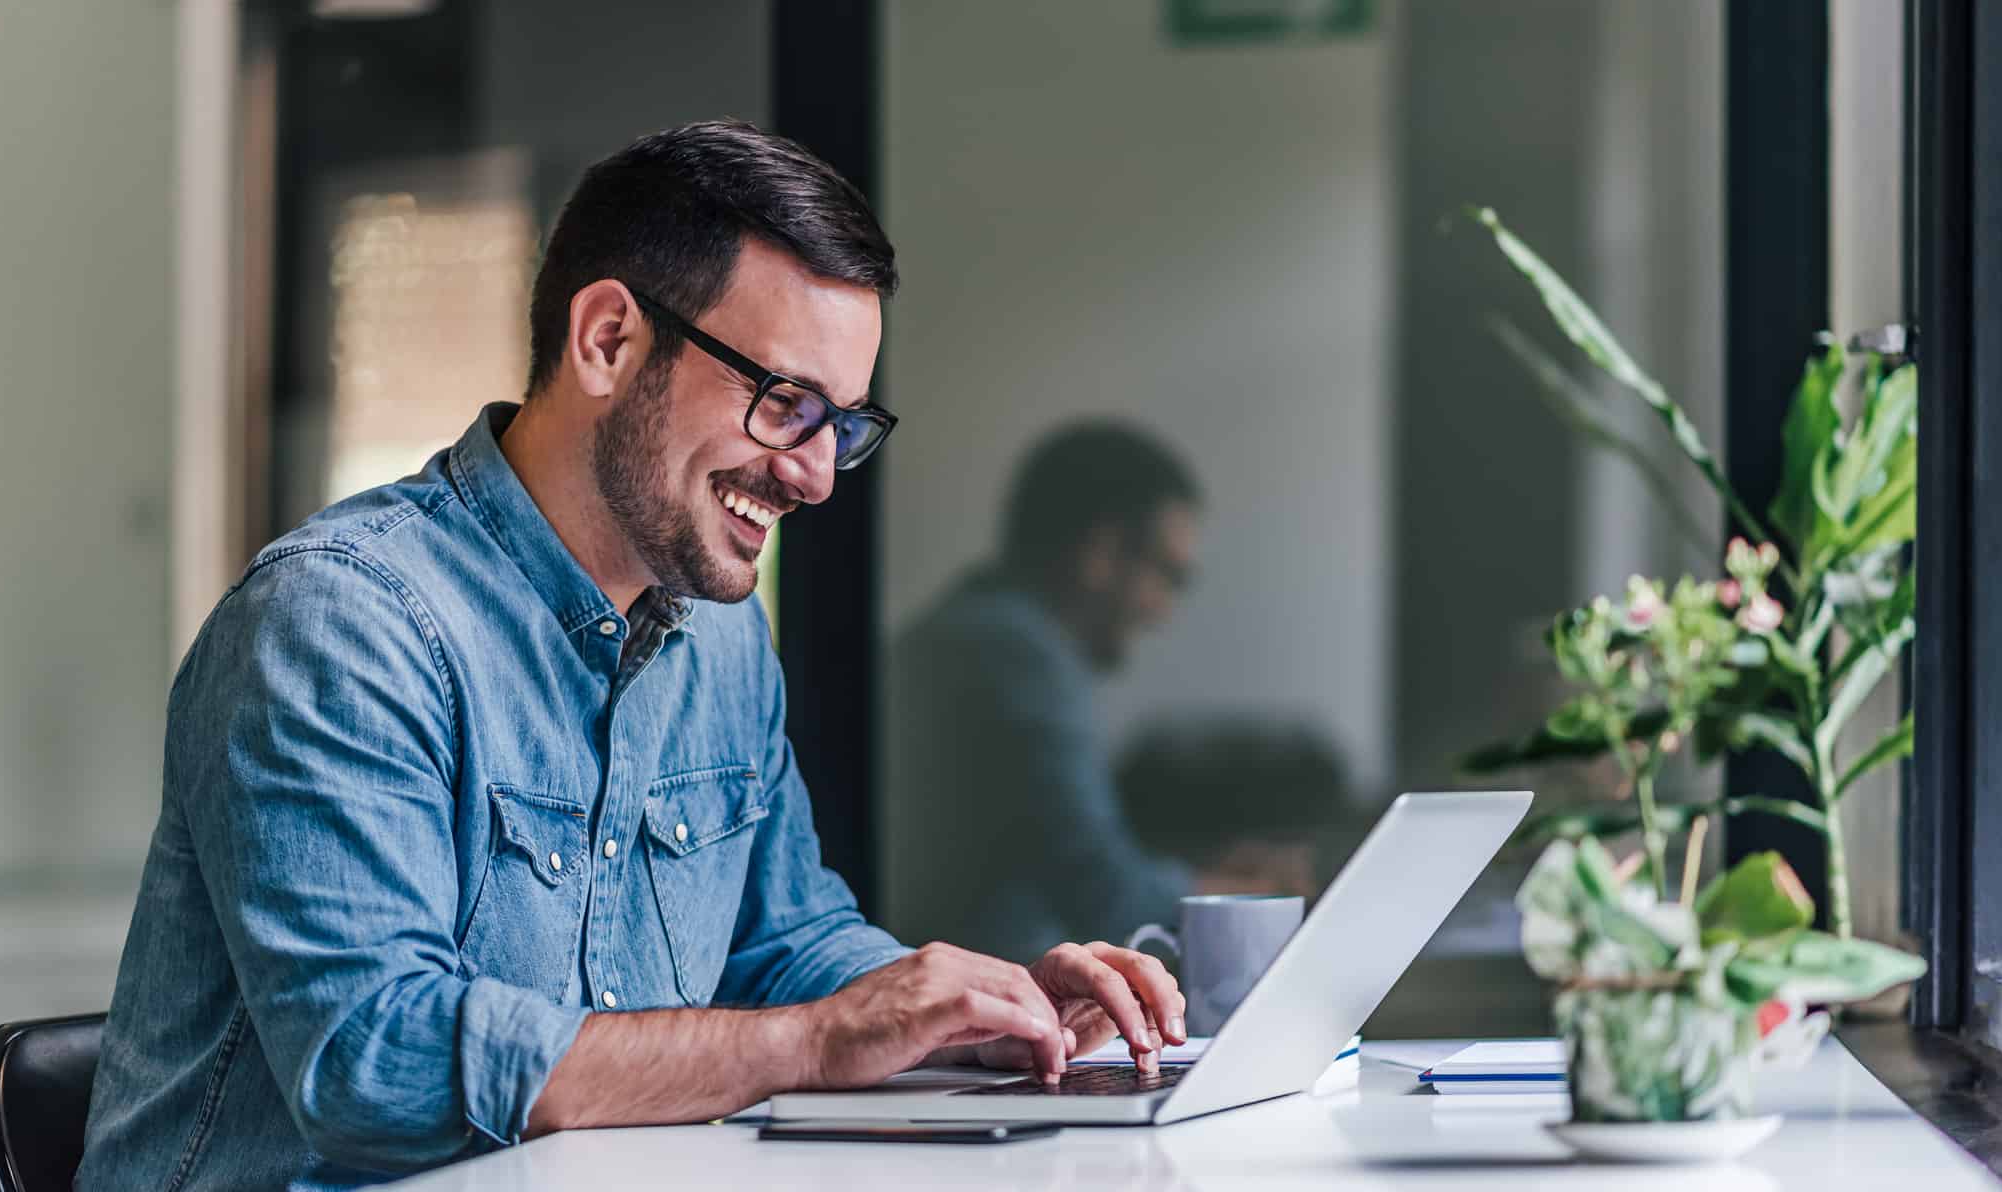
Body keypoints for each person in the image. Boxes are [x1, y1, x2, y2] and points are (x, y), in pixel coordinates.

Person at [79, 121, 1182, 1191]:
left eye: (841, 423)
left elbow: (781, 941)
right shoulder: (340, 625)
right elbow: (373, 1058)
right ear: (607, 339)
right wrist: (812, 1040)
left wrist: (973, 1016)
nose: (816, 475)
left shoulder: (721, 638)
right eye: (785, 403)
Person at [886, 424, 1302, 962]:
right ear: (1100, 553)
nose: (1163, 612)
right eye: (1168, 576)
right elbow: (1105, 894)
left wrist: (1204, 872)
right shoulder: (1016, 657)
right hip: (990, 997)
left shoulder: (970, 631)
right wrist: (1256, 894)